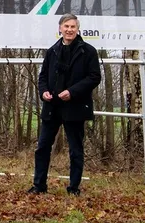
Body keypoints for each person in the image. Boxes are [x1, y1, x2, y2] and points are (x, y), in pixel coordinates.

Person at [29, 13, 101, 196]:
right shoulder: (52, 50)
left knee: (76, 150)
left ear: (78, 29)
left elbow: (94, 77)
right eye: (66, 26)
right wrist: (43, 91)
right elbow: (43, 76)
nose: (69, 30)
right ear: (60, 28)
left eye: (72, 27)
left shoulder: (88, 51)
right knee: (43, 147)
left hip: (75, 107)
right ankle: (39, 186)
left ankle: (73, 188)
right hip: (52, 107)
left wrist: (73, 92)